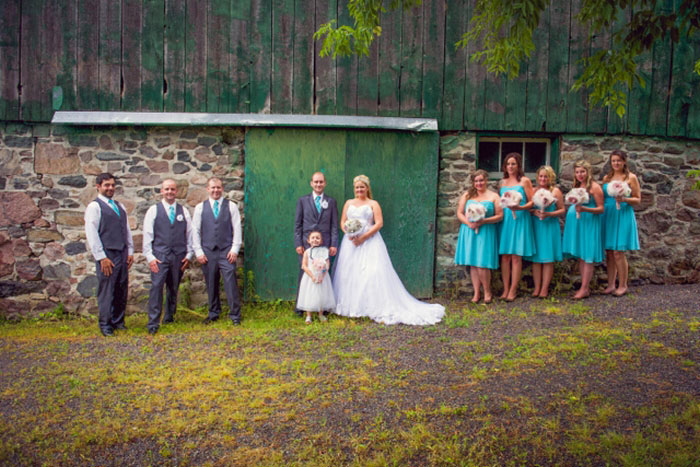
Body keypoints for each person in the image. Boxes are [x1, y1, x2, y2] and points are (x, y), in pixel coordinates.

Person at [332, 175, 444, 325]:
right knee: (348, 273)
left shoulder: (373, 203)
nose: (359, 190)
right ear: (354, 188)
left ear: (367, 188)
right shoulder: (349, 203)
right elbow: (343, 222)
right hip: (351, 242)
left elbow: (379, 223)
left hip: (369, 241)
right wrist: (348, 233)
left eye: (362, 187)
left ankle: (370, 306)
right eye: (357, 187)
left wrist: (363, 237)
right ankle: (349, 307)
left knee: (371, 272)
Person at [84, 173, 134, 336]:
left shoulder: (120, 206)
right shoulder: (95, 207)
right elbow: (92, 233)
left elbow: (126, 230)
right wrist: (101, 257)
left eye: (112, 185)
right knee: (107, 290)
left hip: (122, 252)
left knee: (121, 287)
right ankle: (105, 324)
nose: (110, 188)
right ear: (98, 186)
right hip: (107, 255)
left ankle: (118, 321)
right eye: (107, 185)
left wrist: (130, 251)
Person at [142, 179, 194, 335]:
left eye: (172, 189)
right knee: (157, 287)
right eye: (167, 189)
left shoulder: (183, 211)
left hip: (178, 255)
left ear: (176, 192)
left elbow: (189, 234)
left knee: (174, 286)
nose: (170, 192)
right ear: (161, 191)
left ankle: (169, 316)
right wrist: (150, 257)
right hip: (160, 255)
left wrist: (189, 255)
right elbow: (147, 235)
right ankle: (153, 322)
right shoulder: (153, 210)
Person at [192, 177, 243, 325]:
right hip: (208, 251)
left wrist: (234, 249)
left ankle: (235, 315)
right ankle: (213, 312)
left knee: (230, 282)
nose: (216, 190)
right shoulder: (200, 208)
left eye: (218, 187)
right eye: (213, 188)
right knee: (211, 282)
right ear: (207, 189)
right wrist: (199, 252)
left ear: (222, 189)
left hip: (226, 251)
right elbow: (195, 231)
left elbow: (237, 228)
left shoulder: (231, 206)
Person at [454, 169, 504, 303]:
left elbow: (500, 216)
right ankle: (476, 293)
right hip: (469, 230)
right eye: (476, 181)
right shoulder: (467, 195)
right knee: (473, 264)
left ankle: (487, 291)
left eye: (481, 180)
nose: (479, 183)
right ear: (473, 182)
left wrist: (484, 221)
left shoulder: (494, 196)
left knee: (483, 263)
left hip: (486, 231)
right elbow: (459, 213)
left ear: (486, 180)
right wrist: (469, 223)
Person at [294, 171, 338, 316]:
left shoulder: (331, 202)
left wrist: (333, 244)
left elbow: (333, 225)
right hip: (307, 244)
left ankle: (322, 307)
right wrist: (298, 243)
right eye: (316, 182)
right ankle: (302, 307)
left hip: (324, 245)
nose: (318, 184)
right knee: (305, 273)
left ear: (325, 183)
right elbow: (298, 224)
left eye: (321, 182)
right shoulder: (303, 201)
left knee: (323, 274)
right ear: (311, 183)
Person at [562, 160, 605, 299]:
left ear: (588, 172)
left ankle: (585, 287)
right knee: (581, 256)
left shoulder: (594, 187)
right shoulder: (577, 186)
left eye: (582, 171)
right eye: (577, 172)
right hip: (578, 224)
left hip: (589, 223)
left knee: (587, 255)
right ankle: (584, 287)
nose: (580, 174)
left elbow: (601, 208)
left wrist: (585, 209)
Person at [601, 150, 641, 297]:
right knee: (610, 252)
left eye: (618, 160)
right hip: (609, 214)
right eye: (613, 161)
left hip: (623, 213)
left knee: (619, 252)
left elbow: (637, 199)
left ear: (624, 161)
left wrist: (624, 199)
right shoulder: (607, 178)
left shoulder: (631, 178)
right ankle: (611, 284)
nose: (616, 163)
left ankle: (623, 284)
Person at [498, 152, 536, 301]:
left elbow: (532, 202)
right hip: (506, 220)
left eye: (513, 163)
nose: (510, 166)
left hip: (520, 218)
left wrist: (520, 208)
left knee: (516, 256)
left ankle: (513, 290)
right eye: (508, 164)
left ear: (518, 165)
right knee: (505, 256)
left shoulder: (525, 181)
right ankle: (505, 289)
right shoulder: (502, 182)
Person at [527, 166, 565, 298]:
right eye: (541, 176)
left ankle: (544, 289)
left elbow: (562, 210)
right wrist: (533, 211)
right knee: (536, 259)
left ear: (550, 178)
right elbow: (529, 208)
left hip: (549, 225)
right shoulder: (533, 190)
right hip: (536, 225)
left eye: (546, 176)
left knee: (548, 258)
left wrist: (549, 214)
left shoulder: (555, 191)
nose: (543, 179)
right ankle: (536, 288)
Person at [297, 231, 336, 324]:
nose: (315, 240)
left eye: (317, 238)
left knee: (321, 295)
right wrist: (312, 276)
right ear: (308, 240)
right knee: (309, 295)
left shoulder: (324, 252)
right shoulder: (307, 252)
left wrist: (322, 275)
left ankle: (321, 314)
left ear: (321, 241)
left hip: (322, 278)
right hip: (310, 278)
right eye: (313, 238)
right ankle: (308, 316)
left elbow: (327, 265)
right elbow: (304, 266)